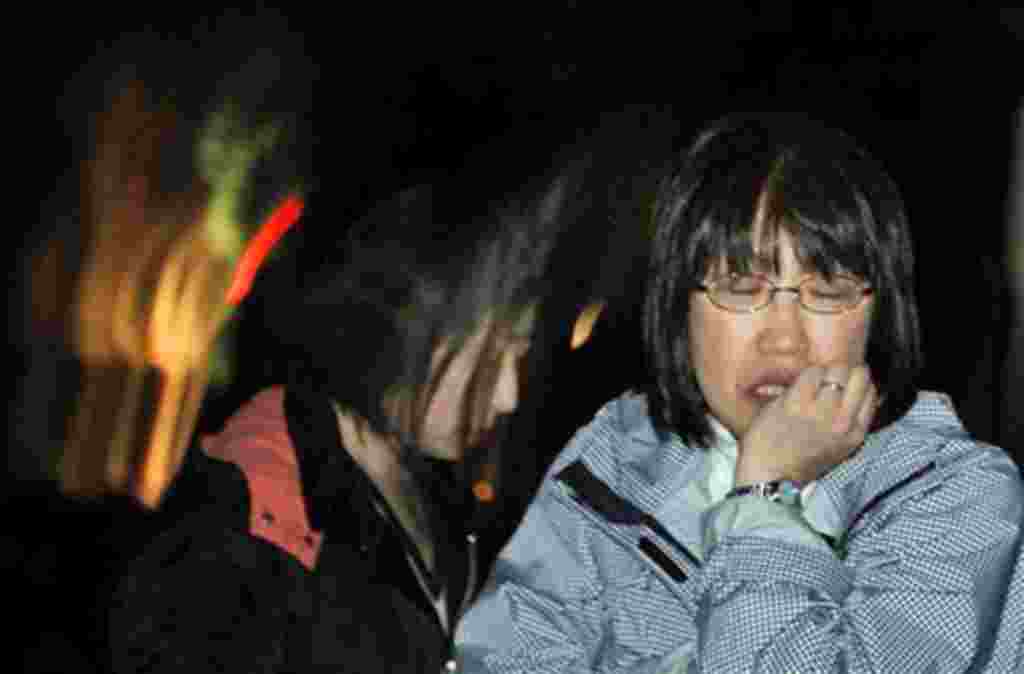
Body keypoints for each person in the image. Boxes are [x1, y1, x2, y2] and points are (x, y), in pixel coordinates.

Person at [456, 113, 1024, 673]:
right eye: (741, 287)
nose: (783, 340)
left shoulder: (957, 497)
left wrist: (765, 497)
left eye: (827, 291)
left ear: (880, 316)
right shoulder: (615, 463)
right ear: (679, 306)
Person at [105, 145, 583, 673]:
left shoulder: (438, 501)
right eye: (497, 352)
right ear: (412, 322)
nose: (509, 394)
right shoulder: (240, 527)